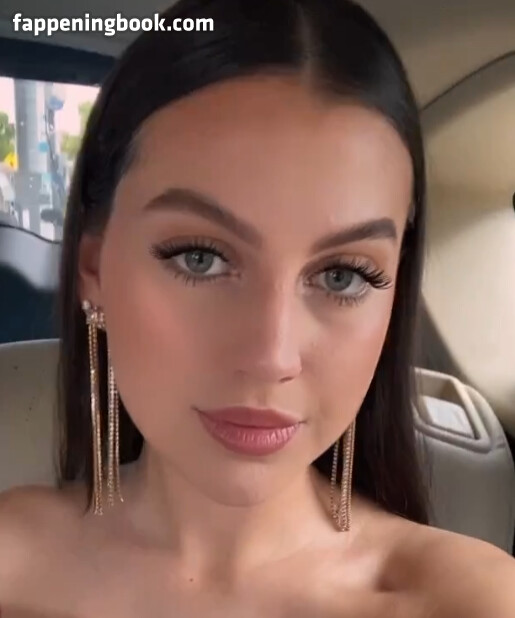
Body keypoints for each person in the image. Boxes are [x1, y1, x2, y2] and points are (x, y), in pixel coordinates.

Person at [1, 0, 514, 616]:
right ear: (94, 268)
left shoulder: (472, 600)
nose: (272, 356)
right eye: (199, 258)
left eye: (343, 274)